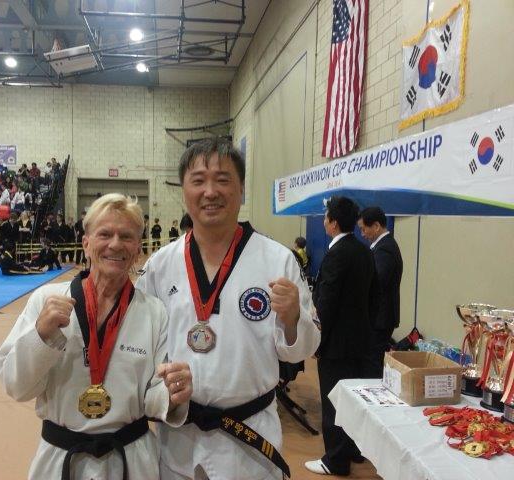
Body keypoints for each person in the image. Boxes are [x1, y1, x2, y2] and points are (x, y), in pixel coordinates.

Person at [136, 138, 320, 480]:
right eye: (198, 180)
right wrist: (164, 395)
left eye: (222, 179)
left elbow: (300, 352)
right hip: (180, 437)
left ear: (241, 189)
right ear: (184, 190)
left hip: (250, 439)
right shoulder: (160, 266)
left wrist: (294, 318)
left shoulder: (277, 260)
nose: (210, 191)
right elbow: (142, 351)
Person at [0, 193, 193, 480]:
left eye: (126, 236)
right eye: (105, 234)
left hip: (131, 459)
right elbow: (17, 386)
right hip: (61, 458)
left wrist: (173, 393)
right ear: (86, 244)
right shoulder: (46, 300)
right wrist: (40, 336)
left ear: (137, 248)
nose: (115, 244)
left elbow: (153, 398)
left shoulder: (154, 312)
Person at [305, 196, 376, 477]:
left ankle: (335, 460)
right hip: (360, 341)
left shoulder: (337, 254)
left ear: (333, 223)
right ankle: (352, 450)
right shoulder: (364, 251)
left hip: (337, 344)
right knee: (353, 400)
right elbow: (373, 297)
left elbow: (327, 304)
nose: (323, 221)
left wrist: (317, 339)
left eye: (325, 217)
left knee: (333, 402)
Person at [358, 207, 403, 378]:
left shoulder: (385, 249)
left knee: (372, 364)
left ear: (376, 226)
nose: (362, 233)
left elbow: (375, 281)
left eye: (364, 228)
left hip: (380, 318)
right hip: (379, 317)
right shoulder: (382, 246)